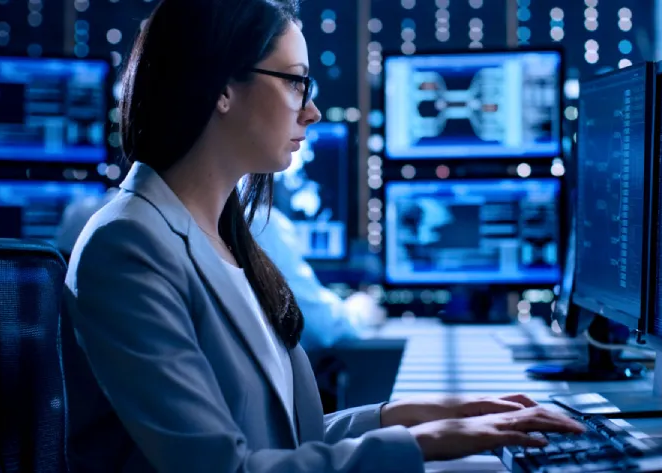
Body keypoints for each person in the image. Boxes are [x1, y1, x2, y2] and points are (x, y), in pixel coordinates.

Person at [60, 0, 585, 472]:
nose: (310, 110)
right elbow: (224, 467)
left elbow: (280, 443)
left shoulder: (225, 239)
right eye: (294, 82)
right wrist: (424, 443)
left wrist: (408, 417)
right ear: (220, 87)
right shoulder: (126, 246)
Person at [57, 193, 383, 352]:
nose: (311, 113)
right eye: (293, 83)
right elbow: (322, 327)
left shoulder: (82, 215)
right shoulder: (257, 226)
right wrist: (361, 308)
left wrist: (378, 421)